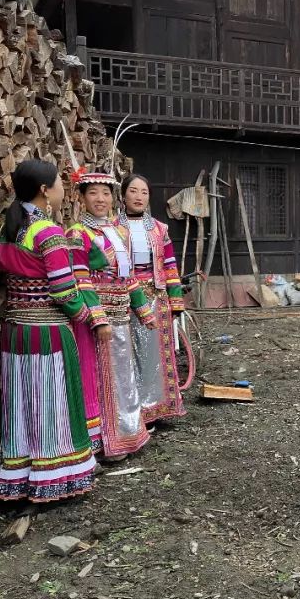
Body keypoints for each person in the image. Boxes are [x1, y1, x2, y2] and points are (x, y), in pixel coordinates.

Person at [0, 160, 107, 503]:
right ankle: (58, 477)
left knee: (22, 404)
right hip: (49, 333)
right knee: (53, 403)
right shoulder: (49, 233)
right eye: (59, 183)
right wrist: (89, 317)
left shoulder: (9, 229)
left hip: (15, 333)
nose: (61, 190)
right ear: (45, 191)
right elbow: (63, 290)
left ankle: (21, 479)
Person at [68, 172, 157, 461]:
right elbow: (80, 280)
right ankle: (105, 444)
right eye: (93, 193)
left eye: (105, 194)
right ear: (81, 198)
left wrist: (143, 310)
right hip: (98, 321)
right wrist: (97, 318)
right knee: (100, 379)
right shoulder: (77, 234)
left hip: (121, 316)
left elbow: (128, 275)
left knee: (123, 377)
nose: (100, 199)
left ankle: (128, 435)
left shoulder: (119, 232)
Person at [120, 174, 187, 425]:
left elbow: (170, 265)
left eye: (144, 192)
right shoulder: (113, 228)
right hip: (124, 300)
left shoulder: (160, 229)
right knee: (127, 355)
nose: (139, 197)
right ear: (123, 195)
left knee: (155, 356)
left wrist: (176, 301)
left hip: (156, 299)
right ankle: (132, 412)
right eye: (134, 191)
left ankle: (158, 408)